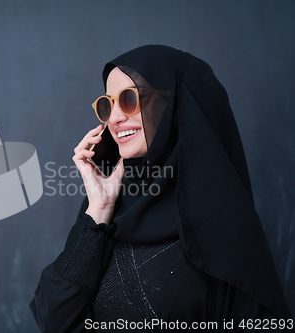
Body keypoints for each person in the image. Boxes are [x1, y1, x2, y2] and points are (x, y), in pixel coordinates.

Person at [29, 45, 293, 332]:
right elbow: (55, 321)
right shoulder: (105, 213)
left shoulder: (224, 227)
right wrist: (99, 209)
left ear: (175, 106)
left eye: (129, 99)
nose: (115, 118)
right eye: (108, 104)